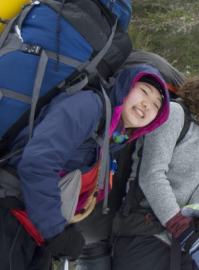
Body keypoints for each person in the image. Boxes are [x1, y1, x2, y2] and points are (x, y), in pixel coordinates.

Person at [0, 64, 171, 269]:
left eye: (156, 105)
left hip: (36, 231)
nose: (147, 105)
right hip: (12, 217)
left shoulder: (112, 138)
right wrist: (56, 232)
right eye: (144, 91)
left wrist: (66, 230)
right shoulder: (89, 106)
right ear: (125, 85)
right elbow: (38, 162)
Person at [111, 52, 199, 270]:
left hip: (183, 241)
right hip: (146, 237)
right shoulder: (176, 114)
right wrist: (186, 235)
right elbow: (152, 176)